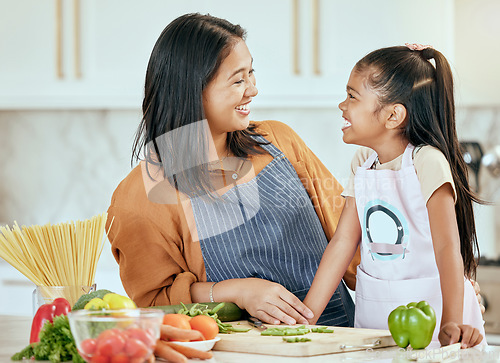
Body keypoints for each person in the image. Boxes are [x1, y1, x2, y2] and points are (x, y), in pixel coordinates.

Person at [106, 13, 359, 327]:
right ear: (192, 90)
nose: (252, 89)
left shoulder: (279, 141)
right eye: (238, 79)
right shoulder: (139, 200)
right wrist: (237, 291)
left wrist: (407, 82)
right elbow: (156, 304)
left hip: (344, 343)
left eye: (251, 73)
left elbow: (354, 240)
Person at [303, 43, 485, 348]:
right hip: (376, 313)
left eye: (352, 96)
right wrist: (306, 318)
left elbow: (447, 248)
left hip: (436, 314)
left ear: (392, 115)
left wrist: (452, 321)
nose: (342, 106)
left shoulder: (426, 161)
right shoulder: (363, 162)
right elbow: (344, 242)